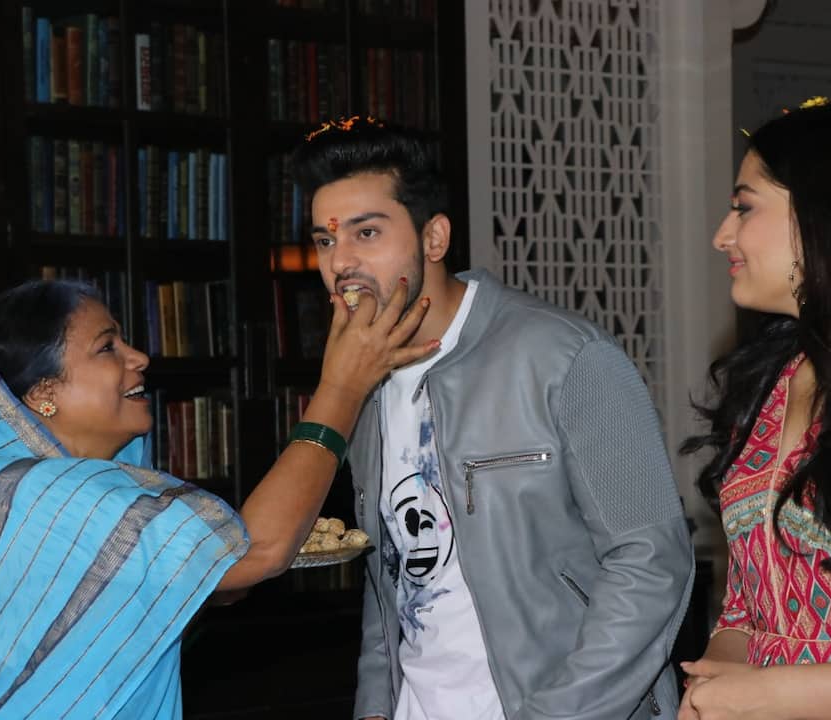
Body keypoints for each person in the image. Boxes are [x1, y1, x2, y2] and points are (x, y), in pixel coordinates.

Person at [291, 116, 695, 720]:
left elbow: (652, 563)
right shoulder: (361, 382)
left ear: (434, 238)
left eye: (366, 233)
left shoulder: (565, 356)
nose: (341, 262)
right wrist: (375, 703)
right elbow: (389, 575)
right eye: (325, 242)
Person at [0, 277, 436, 719]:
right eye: (107, 347)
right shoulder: (56, 497)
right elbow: (260, 552)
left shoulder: (6, 490)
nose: (139, 357)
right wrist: (342, 388)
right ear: (45, 393)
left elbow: (187, 593)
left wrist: (206, 578)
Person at [679, 97, 831, 719]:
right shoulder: (769, 384)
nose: (722, 235)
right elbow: (746, 608)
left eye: (744, 206)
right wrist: (716, 677)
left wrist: (776, 693)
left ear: (824, 216)